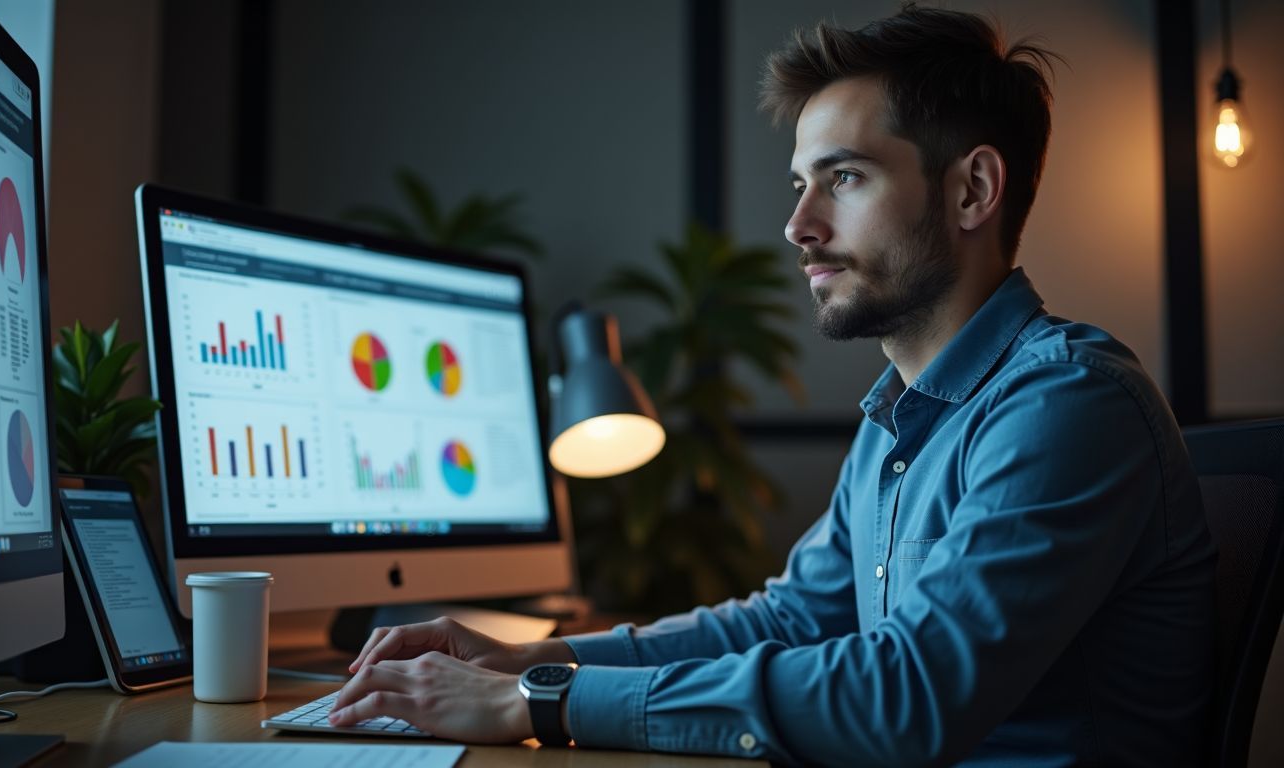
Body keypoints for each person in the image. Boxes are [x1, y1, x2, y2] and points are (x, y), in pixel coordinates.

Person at [328, 5, 1216, 765]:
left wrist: (542, 702)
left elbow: (907, 694)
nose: (799, 225)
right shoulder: (900, 422)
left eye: (846, 178)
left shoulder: (1067, 404)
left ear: (973, 189)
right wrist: (530, 658)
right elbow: (792, 621)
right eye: (800, 184)